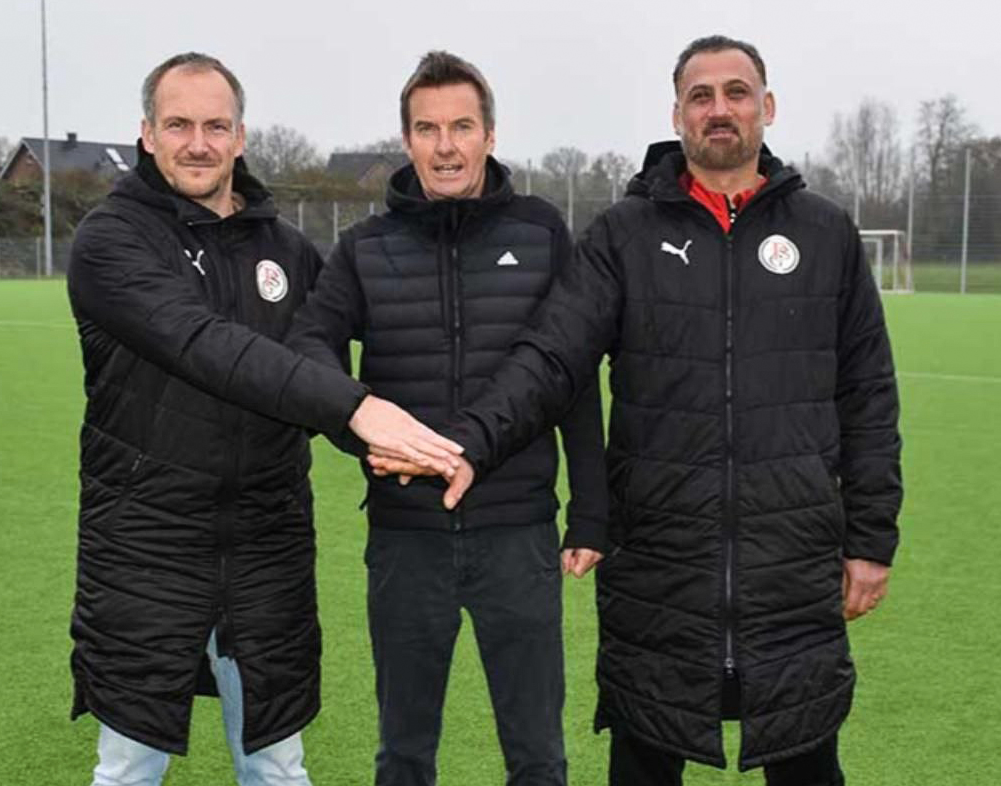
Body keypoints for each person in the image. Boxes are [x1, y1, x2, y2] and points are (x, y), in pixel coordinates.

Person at [379, 35, 902, 786]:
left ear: (767, 106)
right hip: (658, 567)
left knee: (806, 758)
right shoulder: (623, 234)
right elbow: (551, 357)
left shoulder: (824, 233)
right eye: (700, 96)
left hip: (791, 565)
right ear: (676, 114)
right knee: (645, 759)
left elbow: (868, 395)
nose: (718, 109)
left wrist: (871, 538)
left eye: (736, 92)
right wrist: (469, 442)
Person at [65, 51, 462, 786]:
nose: (198, 143)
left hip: (267, 544)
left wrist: (397, 442)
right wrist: (359, 409)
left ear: (241, 136)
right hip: (147, 543)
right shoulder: (111, 241)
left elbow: (315, 374)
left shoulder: (287, 251)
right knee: (128, 767)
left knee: (277, 764)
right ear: (146, 133)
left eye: (216, 126)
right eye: (178, 125)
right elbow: (204, 344)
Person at [285, 51, 609, 786]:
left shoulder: (540, 233)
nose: (445, 147)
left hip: (517, 532)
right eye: (427, 129)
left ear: (490, 134)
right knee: (403, 753)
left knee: (537, 754)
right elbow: (308, 347)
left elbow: (572, 374)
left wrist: (591, 509)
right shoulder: (365, 249)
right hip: (406, 538)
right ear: (406, 140)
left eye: (461, 127)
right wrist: (360, 428)